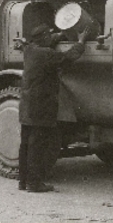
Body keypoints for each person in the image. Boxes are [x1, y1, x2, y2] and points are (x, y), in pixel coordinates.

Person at [18, 24, 90, 193]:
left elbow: (48, 42)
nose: (51, 38)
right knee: (39, 147)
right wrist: (81, 41)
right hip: (40, 108)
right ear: (43, 38)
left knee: (26, 145)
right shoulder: (46, 55)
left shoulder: (30, 50)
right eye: (49, 36)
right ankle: (35, 184)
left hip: (27, 107)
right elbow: (69, 56)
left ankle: (23, 182)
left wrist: (61, 34)